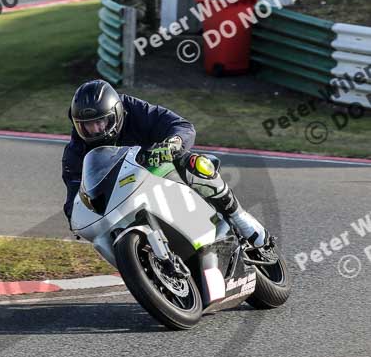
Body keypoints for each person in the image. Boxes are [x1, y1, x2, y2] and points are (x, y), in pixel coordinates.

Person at [62, 79, 269, 247]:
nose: (95, 130)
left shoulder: (134, 110)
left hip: (157, 169)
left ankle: (238, 216)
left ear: (115, 113)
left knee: (193, 162)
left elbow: (180, 125)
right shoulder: (75, 152)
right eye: (87, 126)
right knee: (103, 237)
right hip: (122, 197)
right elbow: (74, 193)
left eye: (100, 122)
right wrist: (76, 216)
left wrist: (172, 144)